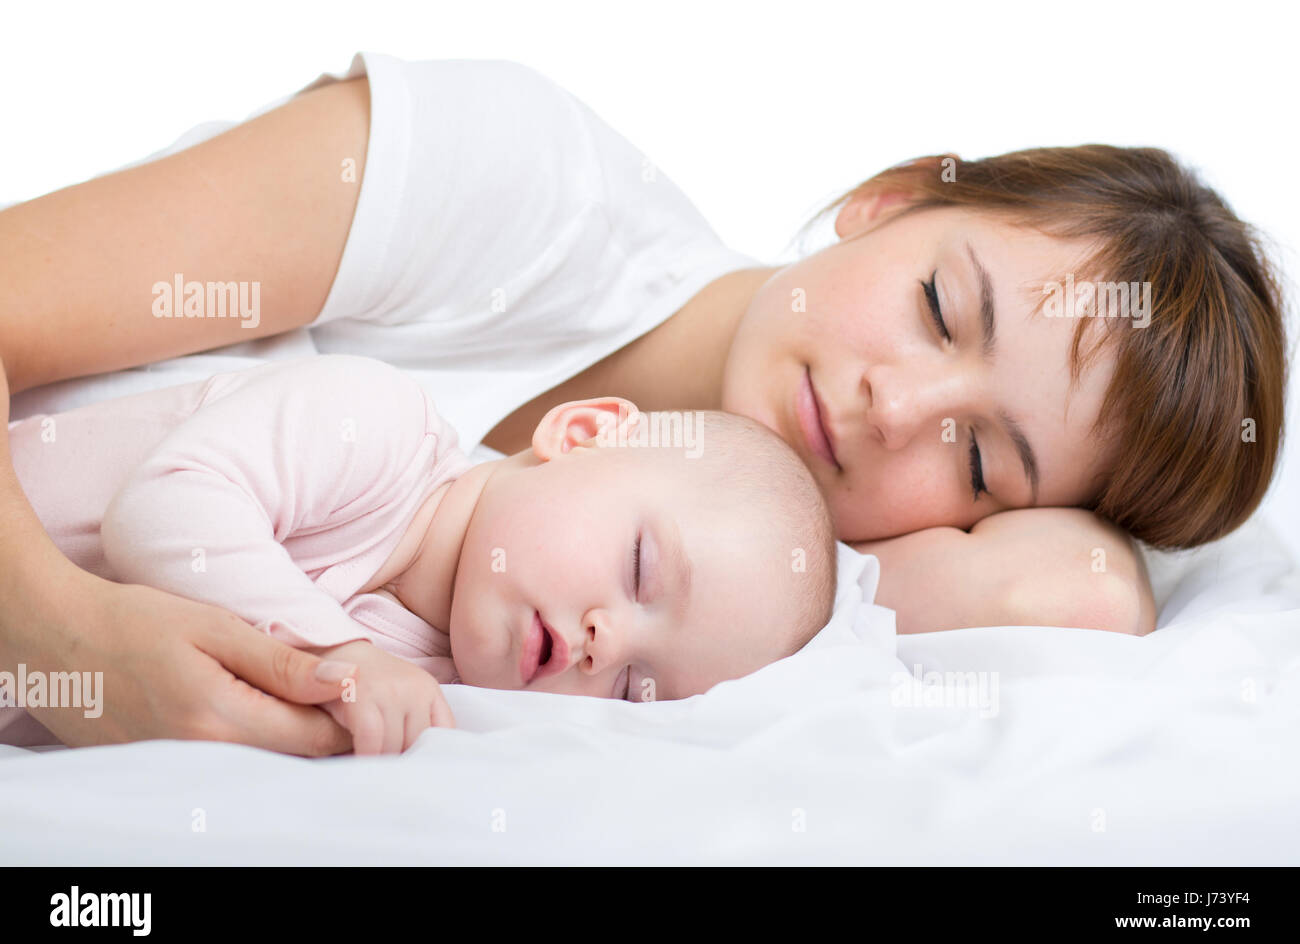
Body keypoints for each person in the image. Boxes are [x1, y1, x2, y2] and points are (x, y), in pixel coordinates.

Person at [0, 55, 1284, 754]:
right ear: (890, 199)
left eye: (982, 463)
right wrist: (63, 643)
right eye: (942, 307)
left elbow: (1077, 595)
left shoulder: (694, 631)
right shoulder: (513, 181)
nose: (897, 408)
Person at [3, 354, 836, 753]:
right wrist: (340, 657)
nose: (605, 642)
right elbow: (163, 510)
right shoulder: (378, 427)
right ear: (581, 435)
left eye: (634, 685)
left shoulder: (437, 693)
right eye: (641, 572)